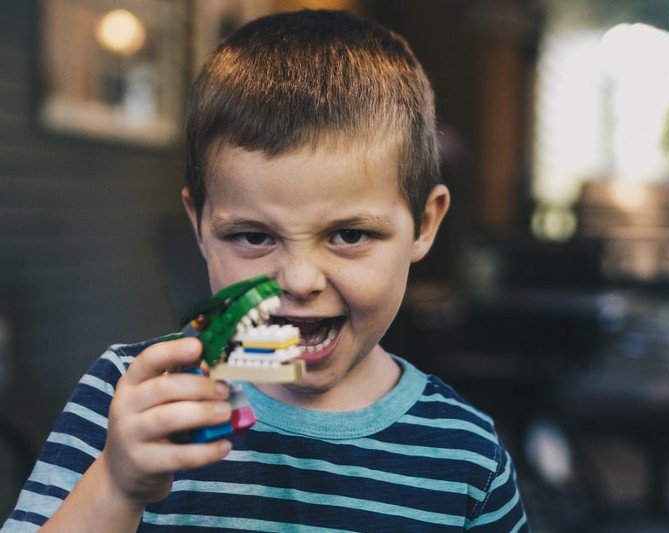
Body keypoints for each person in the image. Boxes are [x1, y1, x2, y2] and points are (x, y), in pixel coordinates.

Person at [3, 9, 529, 532]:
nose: (300, 280)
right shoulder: (132, 400)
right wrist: (117, 485)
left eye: (349, 235)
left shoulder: (468, 457)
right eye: (254, 237)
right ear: (201, 225)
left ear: (423, 224)